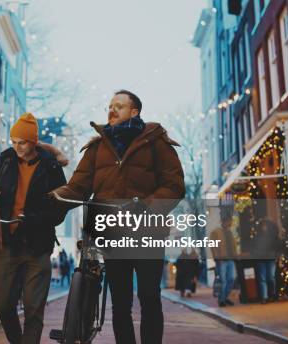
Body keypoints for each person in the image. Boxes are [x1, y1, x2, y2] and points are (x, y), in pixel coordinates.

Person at [51, 90, 185, 344]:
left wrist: (145, 206)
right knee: (120, 302)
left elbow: (174, 186)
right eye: (110, 106)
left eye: (119, 106)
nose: (112, 110)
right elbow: (78, 185)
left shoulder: (157, 142)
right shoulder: (97, 147)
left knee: (149, 297)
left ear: (134, 112)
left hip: (148, 234)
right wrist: (56, 196)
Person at [0, 112, 67, 344]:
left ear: (33, 141)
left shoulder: (51, 167)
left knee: (34, 310)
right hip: (6, 243)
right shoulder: (3, 161)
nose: (17, 147)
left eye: (22, 142)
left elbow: (60, 208)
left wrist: (34, 218)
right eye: (13, 142)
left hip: (38, 245)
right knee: (3, 305)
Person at [209, 214, 238, 307]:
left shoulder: (230, 232)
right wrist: (217, 258)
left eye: (231, 221)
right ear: (223, 222)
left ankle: (225, 297)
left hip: (230, 259)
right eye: (229, 221)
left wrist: (236, 256)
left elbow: (233, 246)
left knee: (231, 279)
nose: (230, 223)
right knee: (223, 280)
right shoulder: (215, 232)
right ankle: (222, 300)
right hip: (221, 260)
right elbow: (213, 246)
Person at [253, 219, 282, 304]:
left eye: (265, 225)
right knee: (263, 278)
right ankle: (264, 297)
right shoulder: (258, 237)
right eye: (262, 225)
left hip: (270, 259)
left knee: (270, 277)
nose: (264, 227)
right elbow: (254, 247)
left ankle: (272, 295)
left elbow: (278, 247)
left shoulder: (273, 237)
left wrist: (278, 257)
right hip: (261, 259)